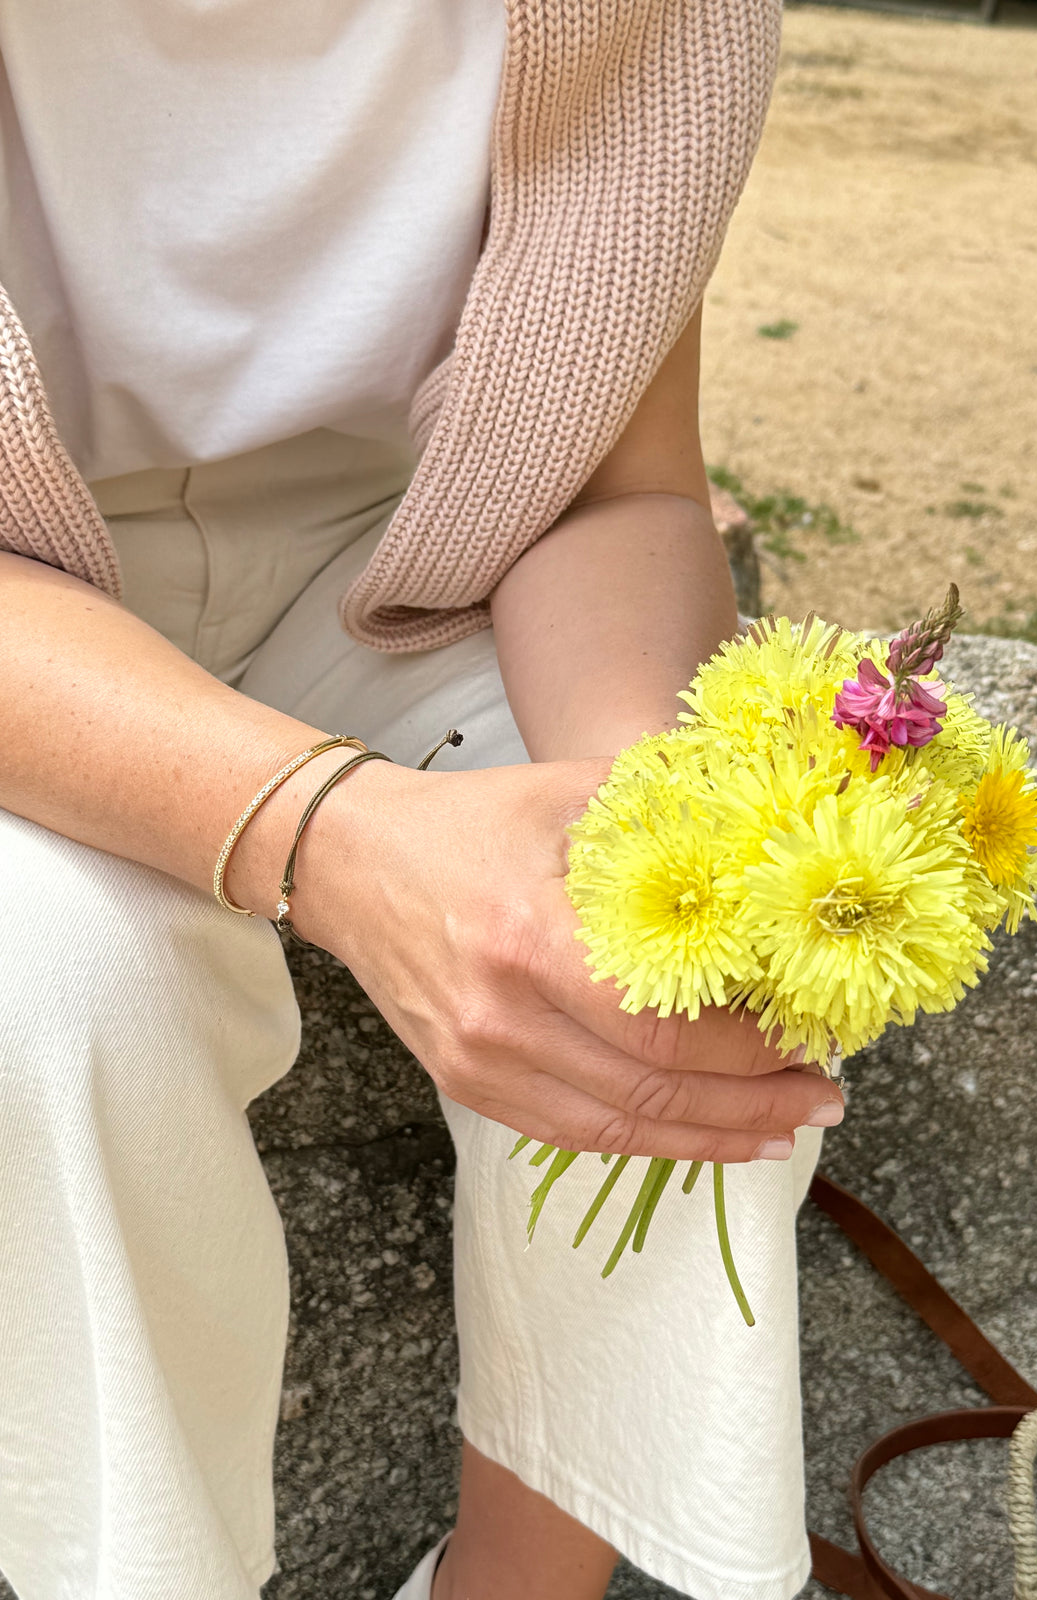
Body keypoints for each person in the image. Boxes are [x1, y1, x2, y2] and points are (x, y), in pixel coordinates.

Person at [0, 4, 844, 1598]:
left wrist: (633, 830)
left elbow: (610, 475)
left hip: (407, 545)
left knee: (689, 943)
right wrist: (326, 836)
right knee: (51, 997)